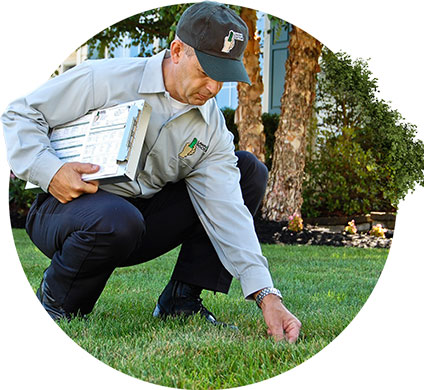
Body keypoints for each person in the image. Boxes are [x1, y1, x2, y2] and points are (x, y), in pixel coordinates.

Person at [2, 1, 301, 342]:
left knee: (248, 171)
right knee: (117, 218)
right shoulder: (104, 80)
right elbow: (20, 114)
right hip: (66, 212)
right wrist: (51, 171)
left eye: (224, 76)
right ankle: (55, 303)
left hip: (138, 223)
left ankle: (181, 301)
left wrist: (267, 294)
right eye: (206, 72)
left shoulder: (211, 126)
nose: (214, 88)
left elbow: (227, 208)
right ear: (177, 51)